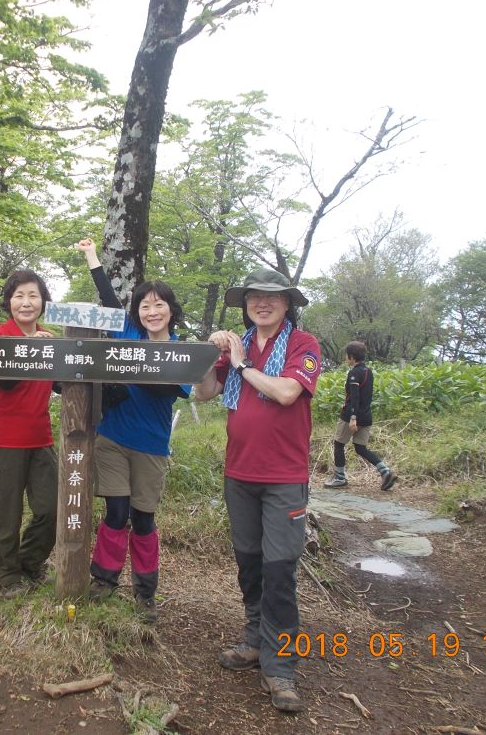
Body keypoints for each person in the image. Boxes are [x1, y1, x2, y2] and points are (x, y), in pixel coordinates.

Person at [193, 268, 321, 714]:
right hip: (239, 473)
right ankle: (254, 640)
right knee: (249, 562)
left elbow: (287, 392)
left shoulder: (303, 345)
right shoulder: (236, 346)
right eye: (253, 297)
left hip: (284, 477)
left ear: (287, 303)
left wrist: (243, 362)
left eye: (271, 297)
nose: (261, 303)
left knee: (280, 568)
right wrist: (209, 357)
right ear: (245, 303)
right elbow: (205, 393)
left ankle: (280, 665)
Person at [76, 238, 190, 624]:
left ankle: (145, 592)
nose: (152, 310)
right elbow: (109, 300)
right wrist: (92, 257)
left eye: (159, 304)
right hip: (112, 439)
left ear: (171, 311)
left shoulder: (181, 353)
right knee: (116, 511)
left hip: (152, 446)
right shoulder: (127, 336)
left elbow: (174, 389)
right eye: (145, 305)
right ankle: (104, 581)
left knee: (143, 519)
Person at [0, 270, 59, 598]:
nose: (26, 303)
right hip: (1, 441)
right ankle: (8, 577)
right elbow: (5, 382)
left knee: (52, 509)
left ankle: (29, 562)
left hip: (41, 438)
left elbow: (64, 384)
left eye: (33, 296)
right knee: (7, 515)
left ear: (43, 302)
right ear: (9, 301)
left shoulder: (49, 338)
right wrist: (27, 347)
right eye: (19, 296)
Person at [325, 341, 397, 491]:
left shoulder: (354, 373)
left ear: (351, 357)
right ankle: (385, 471)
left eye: (347, 355)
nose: (346, 358)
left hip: (352, 415)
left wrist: (352, 418)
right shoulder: (368, 371)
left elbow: (355, 397)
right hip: (366, 416)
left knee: (338, 443)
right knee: (360, 448)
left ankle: (339, 477)